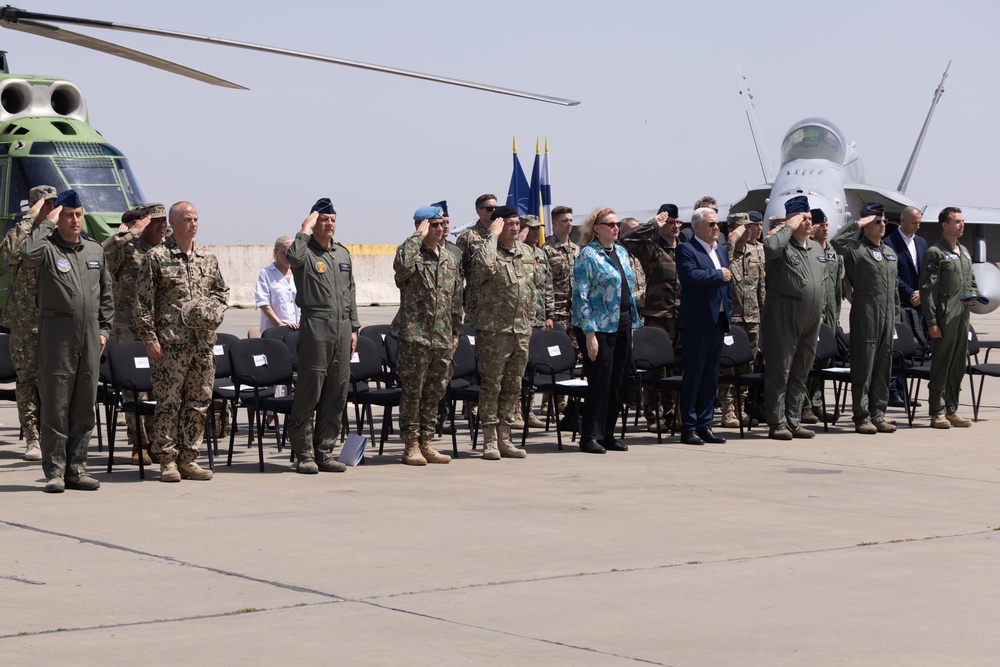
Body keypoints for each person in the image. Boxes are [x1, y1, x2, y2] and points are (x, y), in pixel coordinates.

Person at [20, 190, 114, 492]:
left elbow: (107, 296)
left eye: (78, 214)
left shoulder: (94, 250)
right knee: (56, 405)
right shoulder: (47, 248)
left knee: (84, 404)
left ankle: (77, 469)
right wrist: (46, 223)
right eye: (68, 215)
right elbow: (26, 254)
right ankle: (55, 472)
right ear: (59, 217)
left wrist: (104, 330)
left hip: (88, 336)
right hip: (57, 335)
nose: (74, 220)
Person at [135, 201, 229, 483]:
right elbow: (142, 304)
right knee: (168, 403)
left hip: (202, 344)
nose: (194, 224)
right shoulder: (157, 257)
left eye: (196, 219)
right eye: (187, 219)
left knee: (199, 403)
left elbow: (222, 294)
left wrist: (211, 308)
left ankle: (189, 458)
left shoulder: (207, 258)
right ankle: (167, 461)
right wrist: (150, 339)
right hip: (170, 346)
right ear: (172, 223)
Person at [285, 198, 359, 473]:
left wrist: (354, 327)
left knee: (337, 390)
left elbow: (350, 291)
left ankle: (324, 452)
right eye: (323, 220)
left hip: (341, 328)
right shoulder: (305, 252)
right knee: (310, 389)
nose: (329, 224)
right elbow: (293, 257)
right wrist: (304, 229)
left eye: (332, 220)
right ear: (314, 223)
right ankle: (304, 453)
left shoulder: (341, 254)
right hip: (316, 325)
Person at [390, 205, 462, 465]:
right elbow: (402, 270)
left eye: (443, 224)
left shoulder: (449, 258)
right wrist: (415, 238)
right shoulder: (410, 253)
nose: (441, 229)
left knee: (435, 392)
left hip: (442, 337)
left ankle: (427, 441)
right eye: (434, 224)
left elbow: (456, 299)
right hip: (414, 336)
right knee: (413, 392)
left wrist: (456, 331)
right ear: (421, 227)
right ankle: (411, 445)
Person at [103, 202, 169, 464]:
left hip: (160, 328)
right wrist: (131, 233)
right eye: (156, 220)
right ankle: (138, 443)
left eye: (164, 220)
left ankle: (156, 441)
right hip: (129, 326)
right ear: (144, 222)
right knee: (133, 389)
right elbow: (104, 253)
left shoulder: (167, 249)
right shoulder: (127, 247)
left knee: (158, 388)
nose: (162, 225)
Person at [572, 207, 641, 454]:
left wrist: (631, 326)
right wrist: (589, 334)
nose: (615, 228)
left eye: (616, 224)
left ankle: (608, 434)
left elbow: (627, 291)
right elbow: (580, 297)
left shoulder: (621, 252)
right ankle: (590, 436)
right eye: (610, 224)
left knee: (618, 381)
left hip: (622, 322)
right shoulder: (587, 255)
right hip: (598, 327)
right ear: (596, 228)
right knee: (600, 381)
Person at [831, 203, 900, 434]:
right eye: (877, 222)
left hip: (887, 315)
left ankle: (878, 413)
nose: (882, 226)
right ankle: (861, 416)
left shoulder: (890, 253)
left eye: (883, 222)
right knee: (864, 366)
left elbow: (895, 291)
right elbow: (836, 243)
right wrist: (857, 224)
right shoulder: (856, 249)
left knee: (883, 367)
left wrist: (895, 319)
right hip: (866, 313)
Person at [0, 184, 57, 462]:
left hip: (55, 320)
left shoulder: (59, 234)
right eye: (45, 204)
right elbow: (11, 251)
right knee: (26, 381)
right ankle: (32, 438)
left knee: (54, 380)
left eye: (53, 203)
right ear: (34, 205)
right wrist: (29, 218)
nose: (50, 209)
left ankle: (52, 435)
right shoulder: (18, 233)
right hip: (25, 322)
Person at [761, 196, 826, 440]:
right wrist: (788, 226)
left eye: (810, 218)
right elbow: (770, 249)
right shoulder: (780, 243)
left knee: (801, 370)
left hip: (810, 317)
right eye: (804, 218)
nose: (809, 223)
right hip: (783, 314)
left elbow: (824, 281)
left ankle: (794, 420)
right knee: (780, 369)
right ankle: (777, 423)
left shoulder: (816, 248)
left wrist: (821, 310)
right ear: (793, 218)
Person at [473, 205, 535, 460]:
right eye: (509, 223)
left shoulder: (526, 252)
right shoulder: (487, 251)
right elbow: (483, 268)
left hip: (520, 330)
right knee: (492, 386)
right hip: (493, 331)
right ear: (498, 224)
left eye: (517, 223)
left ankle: (505, 437)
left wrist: (529, 322)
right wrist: (492, 236)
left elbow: (531, 291)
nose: (516, 227)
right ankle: (489, 440)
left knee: (513, 386)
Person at [620, 203, 682, 432]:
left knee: (677, 369)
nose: (675, 226)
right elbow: (627, 240)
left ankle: (671, 414)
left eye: (678, 222)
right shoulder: (652, 248)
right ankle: (654, 416)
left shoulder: (685, 249)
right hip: (658, 316)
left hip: (681, 316)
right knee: (655, 369)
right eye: (670, 222)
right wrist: (652, 224)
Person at [675, 207, 731, 445]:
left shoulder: (722, 250)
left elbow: (727, 287)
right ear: (696, 227)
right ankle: (688, 427)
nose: (716, 228)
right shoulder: (686, 249)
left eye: (717, 224)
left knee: (711, 376)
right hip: (697, 323)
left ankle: (705, 424)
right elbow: (691, 276)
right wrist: (718, 274)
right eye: (710, 224)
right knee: (694, 376)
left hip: (718, 321)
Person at [920, 207, 979, 429]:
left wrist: (973, 293)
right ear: (944, 225)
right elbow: (927, 290)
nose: (962, 225)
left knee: (957, 364)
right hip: (944, 316)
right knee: (941, 364)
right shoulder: (935, 252)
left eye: (962, 221)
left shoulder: (963, 251)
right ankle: (937, 411)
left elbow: (971, 280)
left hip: (963, 316)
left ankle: (951, 409)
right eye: (957, 221)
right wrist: (932, 321)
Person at [717, 211, 765, 428]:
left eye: (749, 227)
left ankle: (740, 406)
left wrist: (763, 316)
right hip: (732, 319)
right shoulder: (724, 253)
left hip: (752, 318)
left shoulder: (754, 254)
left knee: (747, 365)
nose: (747, 231)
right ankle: (727, 411)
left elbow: (760, 289)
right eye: (742, 227)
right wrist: (730, 242)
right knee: (727, 367)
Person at [803, 208, 843, 423]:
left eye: (827, 225)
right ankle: (805, 405)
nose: (825, 229)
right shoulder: (808, 249)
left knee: (825, 363)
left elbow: (836, 286)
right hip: (813, 314)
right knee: (809, 362)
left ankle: (817, 402)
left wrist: (835, 314)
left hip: (830, 315)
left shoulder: (832, 252)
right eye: (821, 225)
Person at [885, 205, 927, 407]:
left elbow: (927, 271)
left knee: (911, 349)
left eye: (919, 223)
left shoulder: (921, 243)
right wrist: (910, 293)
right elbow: (893, 274)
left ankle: (903, 391)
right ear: (902, 220)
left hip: (918, 306)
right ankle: (892, 391)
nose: (917, 227)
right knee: (897, 348)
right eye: (913, 223)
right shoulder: (889, 243)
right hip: (900, 304)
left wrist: (922, 292)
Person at [456, 193, 498, 326]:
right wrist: (461, 299)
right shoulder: (468, 237)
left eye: (496, 207)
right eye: (490, 208)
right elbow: (458, 271)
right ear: (478, 211)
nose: (494, 211)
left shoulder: (503, 234)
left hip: (501, 302)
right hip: (477, 302)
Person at [255, 235, 300, 333]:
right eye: (284, 252)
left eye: (291, 252)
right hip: (274, 330)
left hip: (297, 329)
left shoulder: (298, 273)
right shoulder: (266, 273)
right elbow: (263, 303)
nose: (288, 255)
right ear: (276, 252)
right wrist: (279, 324)